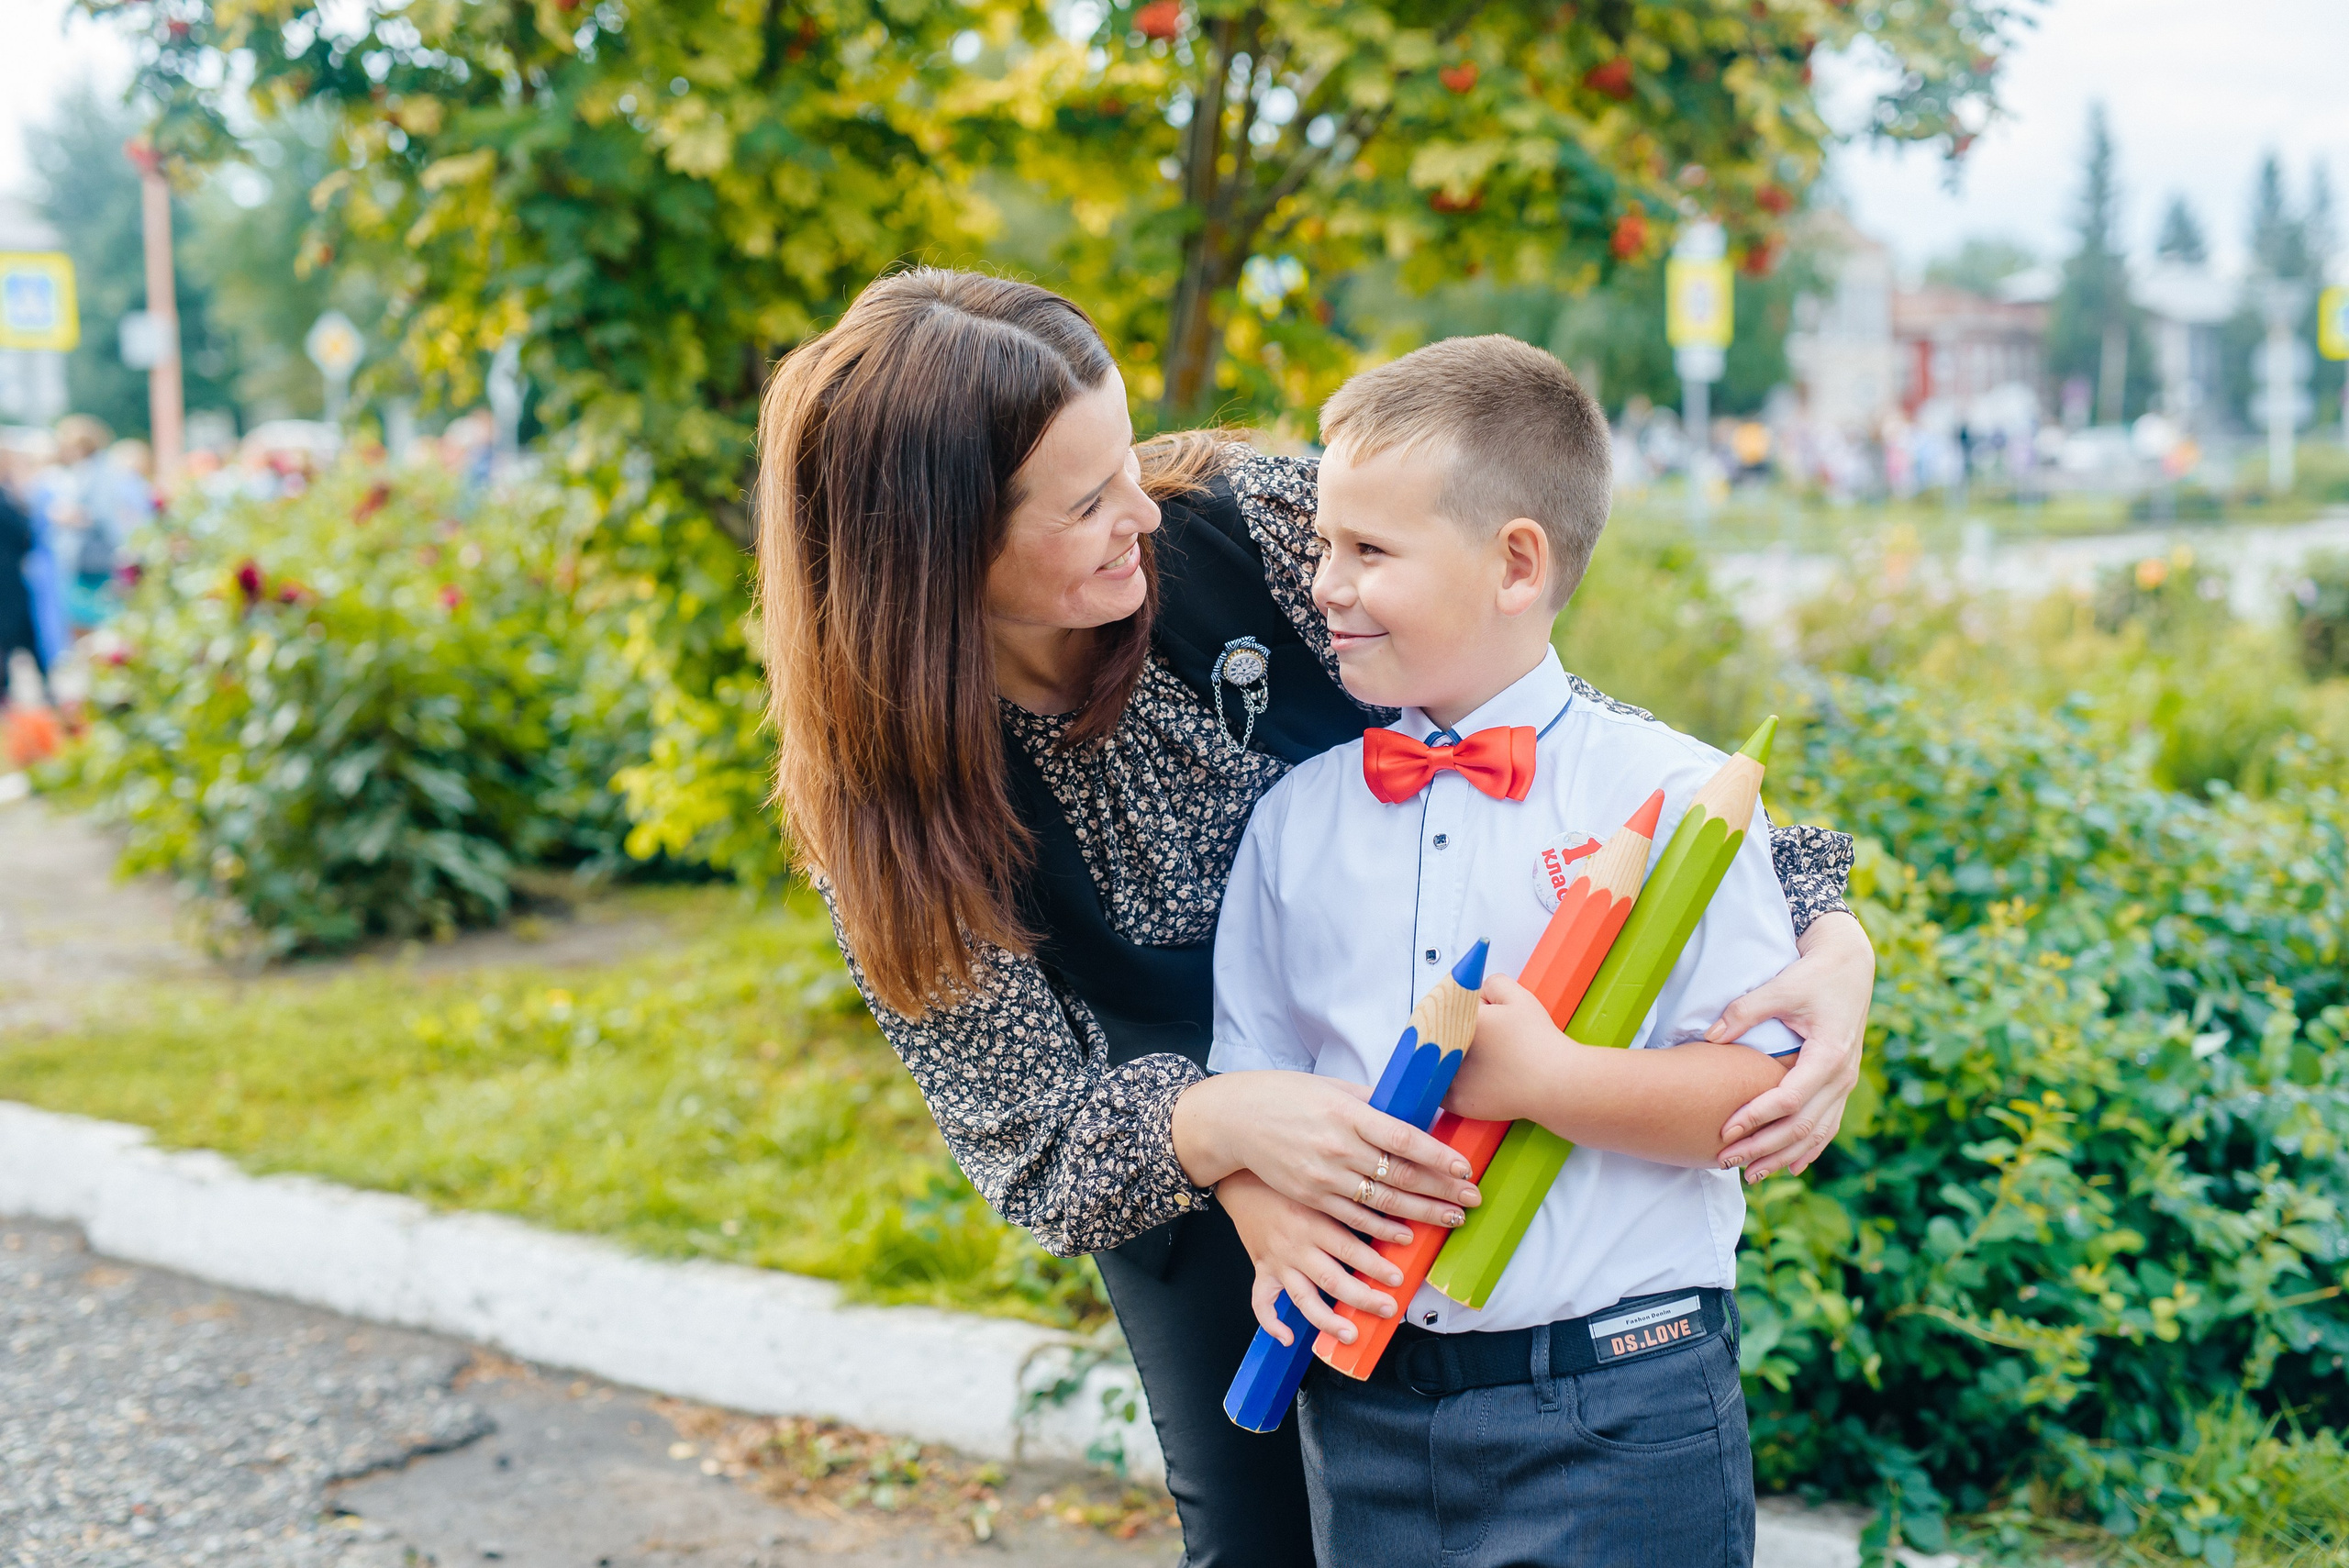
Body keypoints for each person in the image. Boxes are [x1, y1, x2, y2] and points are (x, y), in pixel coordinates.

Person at [758, 268, 1876, 1567]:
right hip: (1170, 1171)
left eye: (1127, 459)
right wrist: (1234, 1145)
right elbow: (1035, 1140)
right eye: (1085, 501)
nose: (1141, 512)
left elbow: (1543, 715)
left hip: (1468, 1122)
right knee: (1262, 1538)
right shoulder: (885, 812)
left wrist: (1826, 930)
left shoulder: (1257, 527)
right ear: (939, 552)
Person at [1212, 337, 1802, 1566]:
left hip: (1618, 1404)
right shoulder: (1293, 822)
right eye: (1323, 545)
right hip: (1363, 1411)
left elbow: (1758, 1100)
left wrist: (1547, 1081)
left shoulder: (1675, 797)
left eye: (1370, 551)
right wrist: (1266, 1217)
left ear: (1517, 564)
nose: (1325, 584)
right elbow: (1248, 1081)